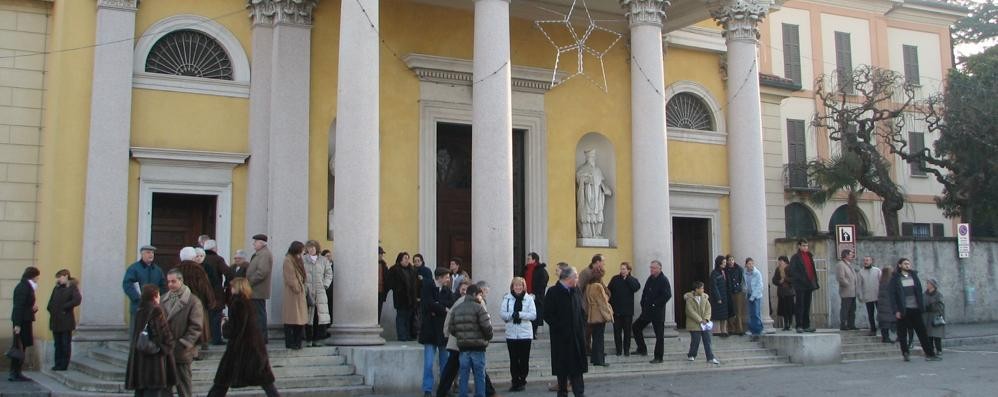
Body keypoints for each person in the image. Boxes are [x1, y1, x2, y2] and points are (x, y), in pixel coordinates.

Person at [208, 278, 279, 397]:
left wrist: (224, 325)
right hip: (253, 346)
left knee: (222, 380)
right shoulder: (247, 302)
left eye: (232, 287)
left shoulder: (238, 303)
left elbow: (237, 327)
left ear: (238, 287)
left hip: (241, 347)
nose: (230, 289)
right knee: (265, 380)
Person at [125, 284, 177, 396]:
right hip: (154, 363)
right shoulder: (156, 310)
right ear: (154, 296)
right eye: (158, 295)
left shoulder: (140, 310)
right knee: (154, 392)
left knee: (141, 391)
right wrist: (168, 346)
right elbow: (162, 335)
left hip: (140, 361)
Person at [162, 268, 205, 397]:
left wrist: (184, 343)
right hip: (165, 350)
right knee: (165, 388)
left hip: (182, 351)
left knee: (184, 388)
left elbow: (196, 327)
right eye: (168, 282)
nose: (170, 284)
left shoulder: (193, 301)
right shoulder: (163, 298)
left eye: (173, 281)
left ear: (181, 280)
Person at [545, 266, 586, 397]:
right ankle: (562, 392)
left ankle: (579, 393)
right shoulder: (553, 292)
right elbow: (547, 314)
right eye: (576, 277)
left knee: (577, 369)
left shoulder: (576, 290)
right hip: (561, 339)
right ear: (569, 278)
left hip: (576, 337)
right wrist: (561, 328)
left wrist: (581, 325)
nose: (578, 279)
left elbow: (582, 310)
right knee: (562, 370)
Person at [889, 258, 940, 362]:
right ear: (900, 265)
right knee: (902, 333)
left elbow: (919, 291)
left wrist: (921, 306)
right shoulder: (895, 278)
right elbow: (892, 296)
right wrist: (896, 310)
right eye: (905, 264)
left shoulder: (914, 276)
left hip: (915, 308)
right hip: (903, 309)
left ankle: (930, 354)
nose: (907, 266)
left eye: (909, 264)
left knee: (922, 332)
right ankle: (905, 353)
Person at [449, 284, 493, 397]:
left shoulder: (457, 308)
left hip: (463, 347)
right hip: (478, 347)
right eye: (479, 295)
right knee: (479, 375)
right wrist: (488, 338)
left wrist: (461, 336)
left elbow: (452, 328)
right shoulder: (479, 308)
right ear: (474, 294)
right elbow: (487, 327)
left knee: (464, 375)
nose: (481, 297)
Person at [176, 247, 217, 351]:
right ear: (193, 256)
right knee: (198, 324)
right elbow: (205, 287)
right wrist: (210, 301)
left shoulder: (176, 269)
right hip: (198, 303)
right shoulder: (198, 270)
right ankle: (197, 349)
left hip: (180, 303)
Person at [420, 268, 453, 397]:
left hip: (443, 331)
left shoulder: (447, 291)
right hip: (429, 331)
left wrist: (438, 306)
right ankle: (427, 389)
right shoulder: (428, 287)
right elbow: (427, 305)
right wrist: (442, 308)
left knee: (445, 362)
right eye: (447, 277)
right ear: (440, 277)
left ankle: (444, 388)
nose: (448, 279)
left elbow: (450, 304)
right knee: (428, 363)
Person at [500, 277, 536, 392]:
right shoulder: (507, 298)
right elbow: (503, 314)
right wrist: (512, 315)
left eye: (520, 285)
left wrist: (519, 314)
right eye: (516, 285)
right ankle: (515, 380)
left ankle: (522, 379)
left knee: (524, 359)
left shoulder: (529, 299)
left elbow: (533, 315)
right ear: (512, 287)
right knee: (514, 359)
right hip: (511, 333)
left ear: (523, 286)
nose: (518, 287)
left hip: (525, 333)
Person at [632, 260, 671, 363]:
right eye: (650, 267)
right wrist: (642, 302)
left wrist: (655, 304)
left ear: (659, 268)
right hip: (647, 311)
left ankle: (658, 357)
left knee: (659, 335)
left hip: (657, 313)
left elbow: (667, 295)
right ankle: (642, 348)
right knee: (636, 327)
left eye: (653, 268)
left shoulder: (663, 280)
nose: (651, 269)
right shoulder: (650, 278)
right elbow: (645, 291)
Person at [8, 266, 40, 382]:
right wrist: (17, 325)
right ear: (33, 276)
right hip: (21, 322)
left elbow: (24, 306)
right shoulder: (24, 288)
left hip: (24, 320)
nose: (37, 280)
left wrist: (32, 310)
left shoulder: (25, 287)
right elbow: (18, 307)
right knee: (19, 347)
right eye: (37, 277)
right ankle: (14, 373)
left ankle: (17, 372)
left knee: (21, 347)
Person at [47, 269, 82, 371]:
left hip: (66, 320)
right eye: (57, 277)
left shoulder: (72, 287)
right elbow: (51, 302)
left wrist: (64, 307)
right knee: (57, 344)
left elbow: (77, 300)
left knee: (65, 343)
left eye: (60, 277)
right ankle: (57, 363)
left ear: (66, 276)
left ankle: (63, 364)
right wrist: (51, 309)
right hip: (55, 320)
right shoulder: (56, 288)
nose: (58, 279)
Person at [123, 245, 167, 322]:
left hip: (154, 308)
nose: (151, 255)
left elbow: (163, 285)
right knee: (137, 331)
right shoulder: (134, 269)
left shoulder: (158, 270)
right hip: (138, 307)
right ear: (142, 254)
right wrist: (137, 298)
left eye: (152, 253)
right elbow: (127, 285)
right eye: (148, 252)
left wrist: (157, 297)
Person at [576, 148, 613, 238]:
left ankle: (596, 233)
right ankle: (586, 233)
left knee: (597, 214)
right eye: (590, 156)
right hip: (587, 195)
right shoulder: (582, 168)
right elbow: (578, 179)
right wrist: (585, 179)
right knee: (587, 213)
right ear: (586, 157)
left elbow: (600, 182)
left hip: (597, 195)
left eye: (593, 156)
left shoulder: (598, 170)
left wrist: (605, 189)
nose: (592, 158)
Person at [202, 239, 232, 346]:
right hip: (216, 292)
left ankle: (206, 338)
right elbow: (228, 272)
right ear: (214, 248)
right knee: (216, 316)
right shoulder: (218, 259)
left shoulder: (201, 259)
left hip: (202, 292)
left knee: (205, 315)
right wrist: (226, 284)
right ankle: (216, 338)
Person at [303, 240, 333, 347]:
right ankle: (308, 339)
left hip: (320, 291)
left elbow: (329, 273)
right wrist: (304, 287)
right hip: (307, 291)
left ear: (317, 248)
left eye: (313, 247)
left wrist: (325, 285)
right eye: (309, 247)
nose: (311, 249)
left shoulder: (323, 260)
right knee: (307, 316)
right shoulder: (303, 260)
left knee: (319, 316)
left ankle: (317, 339)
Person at [607, 262, 640, 356]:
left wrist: (628, 278)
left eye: (624, 269)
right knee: (617, 332)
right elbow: (609, 290)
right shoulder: (615, 279)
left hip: (627, 312)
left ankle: (626, 350)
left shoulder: (633, 280)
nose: (622, 271)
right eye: (621, 269)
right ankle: (618, 350)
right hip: (616, 310)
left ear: (629, 270)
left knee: (627, 332)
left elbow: (636, 288)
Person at [247, 234, 274, 343]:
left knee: (259, 314)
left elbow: (262, 272)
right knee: (257, 313)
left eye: (256, 241)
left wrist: (249, 282)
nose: (254, 244)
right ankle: (258, 336)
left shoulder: (264, 254)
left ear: (262, 243)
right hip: (255, 290)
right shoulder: (260, 254)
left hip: (257, 289)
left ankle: (261, 337)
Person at [684, 281, 719, 365]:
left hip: (704, 324)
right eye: (701, 288)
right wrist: (700, 320)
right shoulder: (689, 299)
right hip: (694, 323)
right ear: (697, 289)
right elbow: (690, 311)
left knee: (707, 340)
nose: (703, 290)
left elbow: (708, 309)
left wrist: (706, 319)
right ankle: (692, 354)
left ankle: (710, 357)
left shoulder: (705, 298)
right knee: (695, 340)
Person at [386, 251, 418, 341]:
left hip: (411, 298)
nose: (407, 260)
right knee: (401, 317)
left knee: (409, 318)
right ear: (400, 260)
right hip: (400, 298)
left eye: (408, 258)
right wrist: (397, 289)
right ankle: (401, 336)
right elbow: (389, 282)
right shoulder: (394, 269)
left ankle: (408, 335)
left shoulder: (412, 270)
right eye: (405, 258)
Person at [584, 267, 613, 367]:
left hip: (592, 313)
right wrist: (608, 315)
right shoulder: (598, 286)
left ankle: (594, 358)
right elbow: (602, 302)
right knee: (599, 338)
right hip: (599, 314)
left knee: (595, 337)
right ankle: (599, 360)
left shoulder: (589, 285)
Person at [282, 241, 308, 350]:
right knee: (291, 319)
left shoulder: (298, 259)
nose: (303, 252)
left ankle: (298, 342)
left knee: (299, 320)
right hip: (293, 294)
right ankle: (291, 342)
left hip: (299, 293)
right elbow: (290, 278)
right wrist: (297, 288)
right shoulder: (288, 260)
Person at [789, 239, 818, 333]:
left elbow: (812, 270)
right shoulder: (795, 257)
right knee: (800, 305)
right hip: (800, 285)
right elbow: (792, 271)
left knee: (807, 305)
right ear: (799, 246)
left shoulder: (810, 256)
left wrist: (814, 281)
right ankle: (799, 325)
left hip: (809, 284)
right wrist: (801, 279)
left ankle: (806, 325)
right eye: (804, 245)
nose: (806, 247)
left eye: (807, 245)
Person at [578, 254, 605, 353]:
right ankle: (586, 348)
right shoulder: (586, 272)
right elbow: (579, 287)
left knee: (594, 329)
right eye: (603, 262)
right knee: (587, 329)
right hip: (587, 306)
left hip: (595, 307)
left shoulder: (598, 273)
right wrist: (581, 304)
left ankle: (595, 350)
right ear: (597, 262)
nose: (604, 264)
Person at [522, 252, 549, 338]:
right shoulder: (525, 269)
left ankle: (533, 332)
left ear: (534, 259)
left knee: (535, 315)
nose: (527, 260)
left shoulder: (541, 270)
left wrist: (535, 294)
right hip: (525, 295)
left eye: (529, 259)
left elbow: (543, 283)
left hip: (536, 297)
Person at [856, 256, 882, 336]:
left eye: (867, 260)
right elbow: (859, 285)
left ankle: (882, 329)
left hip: (878, 295)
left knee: (880, 313)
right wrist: (859, 295)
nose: (865, 262)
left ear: (871, 261)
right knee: (870, 314)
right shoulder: (861, 272)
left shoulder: (877, 270)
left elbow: (881, 282)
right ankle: (873, 329)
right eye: (864, 260)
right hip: (868, 296)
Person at [836, 249, 859, 331]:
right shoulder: (841, 264)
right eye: (850, 254)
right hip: (846, 291)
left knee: (852, 309)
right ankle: (843, 324)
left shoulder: (849, 264)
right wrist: (848, 284)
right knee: (845, 309)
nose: (852, 256)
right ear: (846, 255)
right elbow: (840, 278)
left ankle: (851, 324)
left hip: (853, 291)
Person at [923, 279, 946, 356]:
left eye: (929, 283)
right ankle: (930, 350)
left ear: (933, 285)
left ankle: (939, 349)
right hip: (927, 317)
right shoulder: (925, 294)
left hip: (935, 316)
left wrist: (933, 307)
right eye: (927, 283)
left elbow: (941, 305)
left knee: (936, 335)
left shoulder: (938, 295)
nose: (927, 285)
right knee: (929, 335)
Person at [708, 255, 730, 337]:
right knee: (717, 315)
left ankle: (723, 330)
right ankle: (717, 331)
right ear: (719, 263)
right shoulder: (714, 273)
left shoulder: (723, 272)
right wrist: (718, 297)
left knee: (724, 315)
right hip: (717, 298)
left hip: (724, 297)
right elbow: (714, 286)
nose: (725, 264)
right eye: (723, 262)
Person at [743, 258, 764, 341]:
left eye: (752, 263)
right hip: (749, 294)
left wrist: (753, 296)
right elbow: (745, 284)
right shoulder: (744, 273)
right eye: (749, 264)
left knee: (756, 313)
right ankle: (752, 330)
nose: (750, 265)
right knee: (751, 314)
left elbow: (759, 286)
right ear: (746, 265)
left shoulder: (757, 273)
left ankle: (758, 331)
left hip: (756, 296)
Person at [725, 255, 746, 336]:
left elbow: (741, 280)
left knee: (738, 311)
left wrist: (738, 287)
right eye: (729, 260)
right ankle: (731, 328)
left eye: (732, 260)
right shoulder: (725, 269)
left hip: (738, 291)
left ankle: (739, 329)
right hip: (729, 292)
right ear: (727, 261)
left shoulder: (739, 269)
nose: (731, 261)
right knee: (730, 311)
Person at [772, 256, 795, 331]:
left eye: (781, 261)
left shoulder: (790, 268)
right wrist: (779, 282)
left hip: (790, 292)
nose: (779, 262)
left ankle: (790, 324)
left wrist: (785, 279)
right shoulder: (777, 269)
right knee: (784, 310)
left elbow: (794, 279)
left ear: (785, 261)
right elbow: (774, 280)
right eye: (779, 261)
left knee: (790, 309)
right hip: (782, 293)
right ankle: (786, 324)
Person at [876, 266, 897, 343]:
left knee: (884, 323)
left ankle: (885, 337)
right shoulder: (890, 282)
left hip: (882, 306)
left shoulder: (882, 282)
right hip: (888, 306)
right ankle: (887, 338)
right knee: (888, 322)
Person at [378, 246, 389, 322]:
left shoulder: (384, 265)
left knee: (379, 311)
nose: (381, 255)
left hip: (381, 292)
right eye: (380, 254)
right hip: (371, 293)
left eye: (382, 254)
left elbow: (387, 278)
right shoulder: (369, 264)